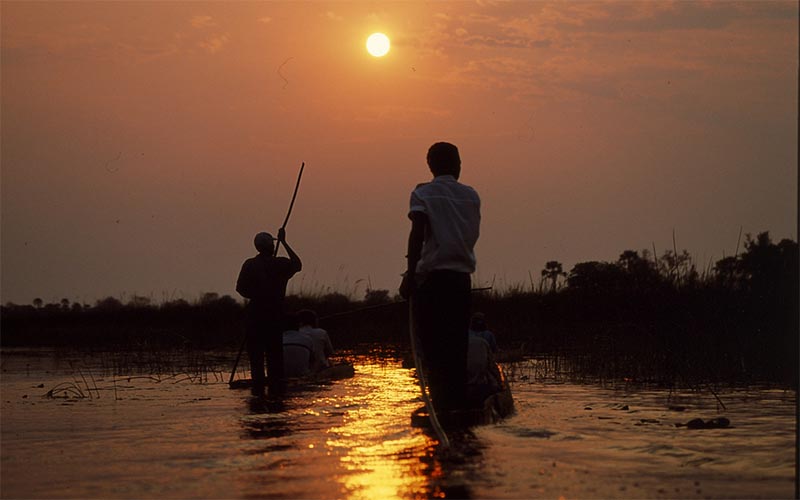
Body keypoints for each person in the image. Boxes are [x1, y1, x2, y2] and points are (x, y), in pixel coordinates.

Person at [400, 142, 481, 411]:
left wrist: (410, 275)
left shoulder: (423, 193)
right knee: (457, 346)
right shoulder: (471, 195)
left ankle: (441, 406)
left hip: (433, 281)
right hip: (461, 282)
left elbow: (417, 234)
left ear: (430, 166)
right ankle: (455, 405)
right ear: (457, 166)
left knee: (432, 349)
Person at [236, 228, 301, 394]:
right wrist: (285, 242)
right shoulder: (280, 264)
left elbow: (240, 289)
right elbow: (297, 264)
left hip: (254, 316)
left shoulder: (249, 264)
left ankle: (258, 392)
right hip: (274, 316)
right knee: (274, 357)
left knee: (256, 358)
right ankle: (276, 392)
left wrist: (257, 295)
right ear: (271, 246)